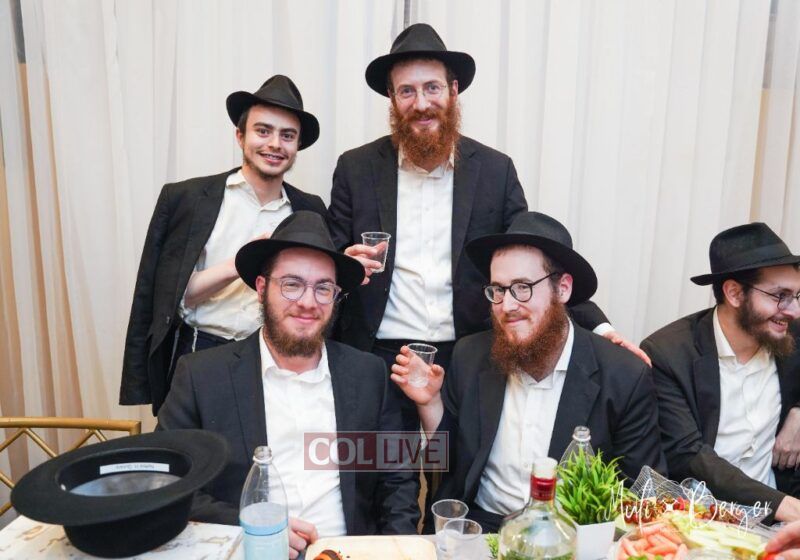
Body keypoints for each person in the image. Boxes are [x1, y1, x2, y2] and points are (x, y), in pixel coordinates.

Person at [327, 23, 646, 428]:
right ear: (392, 98)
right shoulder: (355, 168)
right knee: (377, 462)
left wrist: (598, 326)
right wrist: (345, 264)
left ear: (453, 91)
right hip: (377, 356)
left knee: (456, 461)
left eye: (432, 88)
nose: (421, 103)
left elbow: (533, 257)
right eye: (407, 91)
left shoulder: (495, 171)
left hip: (469, 355)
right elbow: (329, 261)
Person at [157, 211, 420, 558]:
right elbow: (168, 482)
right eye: (292, 284)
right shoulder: (201, 376)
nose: (308, 302)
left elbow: (397, 483)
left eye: (323, 288)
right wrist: (254, 527)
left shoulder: (368, 374)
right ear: (261, 289)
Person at [391, 212, 666, 532]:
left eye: (523, 287)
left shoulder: (623, 376)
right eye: (498, 290)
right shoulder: (470, 355)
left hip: (569, 537)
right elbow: (447, 464)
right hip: (478, 529)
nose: (507, 306)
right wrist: (429, 403)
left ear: (562, 289)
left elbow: (642, 496)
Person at [120, 75, 327, 414]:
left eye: (287, 135)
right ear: (240, 135)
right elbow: (165, 298)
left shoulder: (310, 209)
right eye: (263, 131)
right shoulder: (186, 199)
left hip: (274, 360)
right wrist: (242, 262)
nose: (275, 144)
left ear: (297, 146)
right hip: (199, 350)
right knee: (190, 447)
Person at [641, 222, 800, 522]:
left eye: (796, 295)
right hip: (702, 521)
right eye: (780, 296)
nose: (793, 310)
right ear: (734, 293)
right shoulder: (669, 354)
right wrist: (787, 508)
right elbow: (689, 457)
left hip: (782, 523)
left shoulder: (789, 333)